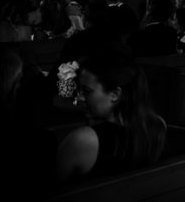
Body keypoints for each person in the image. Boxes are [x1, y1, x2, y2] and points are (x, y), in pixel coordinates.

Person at [54, 45, 167, 181]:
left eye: (87, 91)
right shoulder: (157, 125)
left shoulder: (84, 140)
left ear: (115, 94)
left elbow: (46, 195)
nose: (80, 97)